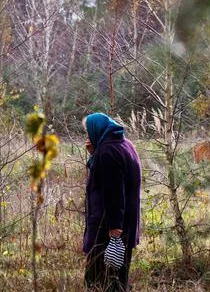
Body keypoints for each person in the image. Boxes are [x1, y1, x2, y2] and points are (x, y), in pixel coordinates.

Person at [82, 112, 141, 292]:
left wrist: (114, 228)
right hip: (124, 222)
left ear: (97, 130)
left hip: (108, 226)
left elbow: (115, 192)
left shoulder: (108, 152)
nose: (87, 136)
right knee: (117, 274)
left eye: (88, 132)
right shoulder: (124, 144)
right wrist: (94, 153)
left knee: (102, 279)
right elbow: (106, 176)